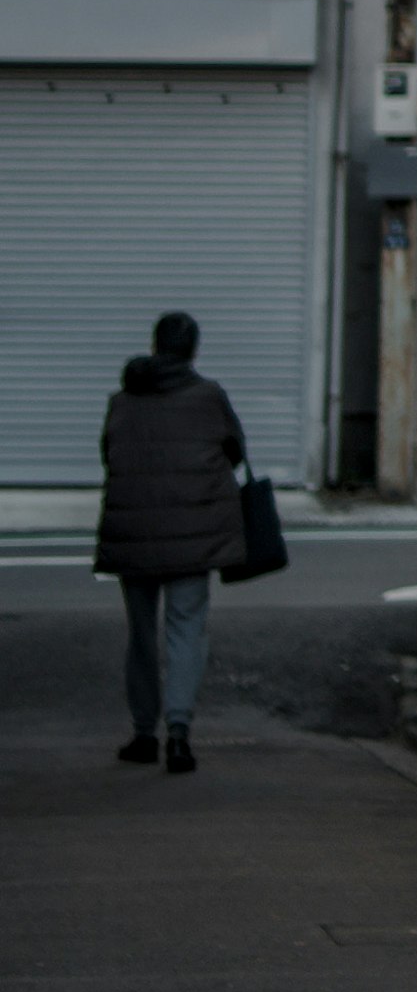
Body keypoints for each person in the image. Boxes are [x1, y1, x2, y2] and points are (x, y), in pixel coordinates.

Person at [96, 309, 247, 772]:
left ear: (156, 344)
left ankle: (144, 734)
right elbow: (235, 451)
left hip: (134, 535)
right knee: (185, 631)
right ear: (192, 349)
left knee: (141, 636)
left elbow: (109, 454)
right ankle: (178, 734)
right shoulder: (208, 396)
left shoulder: (123, 400)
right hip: (191, 537)